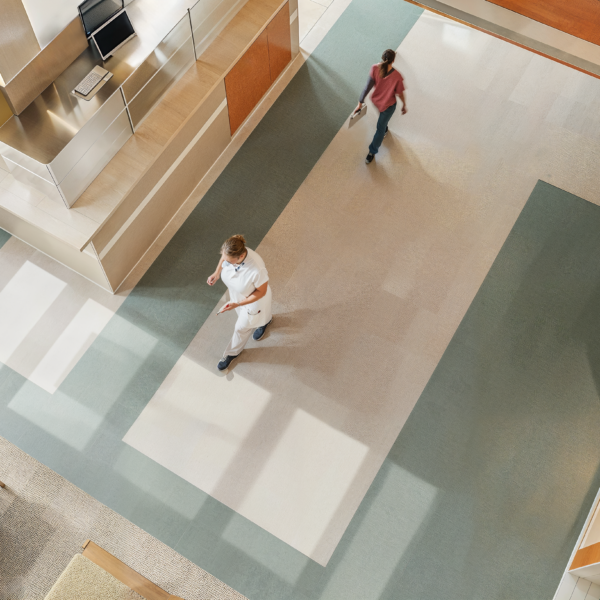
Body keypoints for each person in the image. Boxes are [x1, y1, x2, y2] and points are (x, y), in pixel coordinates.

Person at [207, 235, 273, 371]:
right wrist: (217, 272)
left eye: (230, 262)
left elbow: (261, 292)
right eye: (225, 260)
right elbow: (225, 257)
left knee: (240, 328)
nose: (226, 263)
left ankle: (231, 353)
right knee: (247, 318)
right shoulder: (233, 249)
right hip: (237, 294)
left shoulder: (257, 269)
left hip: (254, 301)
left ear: (241, 256)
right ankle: (265, 321)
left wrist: (238, 304)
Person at [354, 49, 407, 164]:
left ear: (383, 57)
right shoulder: (397, 76)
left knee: (382, 122)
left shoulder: (374, 68)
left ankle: (385, 128)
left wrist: (360, 103)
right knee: (380, 129)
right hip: (388, 106)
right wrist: (404, 105)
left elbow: (367, 87)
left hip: (377, 102)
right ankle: (372, 151)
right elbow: (400, 94)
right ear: (393, 61)